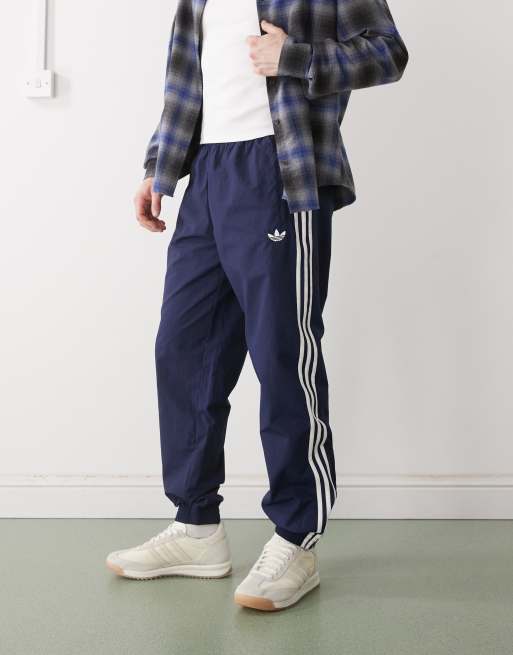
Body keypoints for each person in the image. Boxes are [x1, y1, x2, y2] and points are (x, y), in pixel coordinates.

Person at [106, 0, 408, 611]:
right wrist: (159, 167)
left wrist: (293, 57)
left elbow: (388, 53)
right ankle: (196, 527)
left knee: (282, 354)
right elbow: (186, 82)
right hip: (207, 174)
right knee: (183, 351)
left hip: (280, 169)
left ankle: (296, 539)